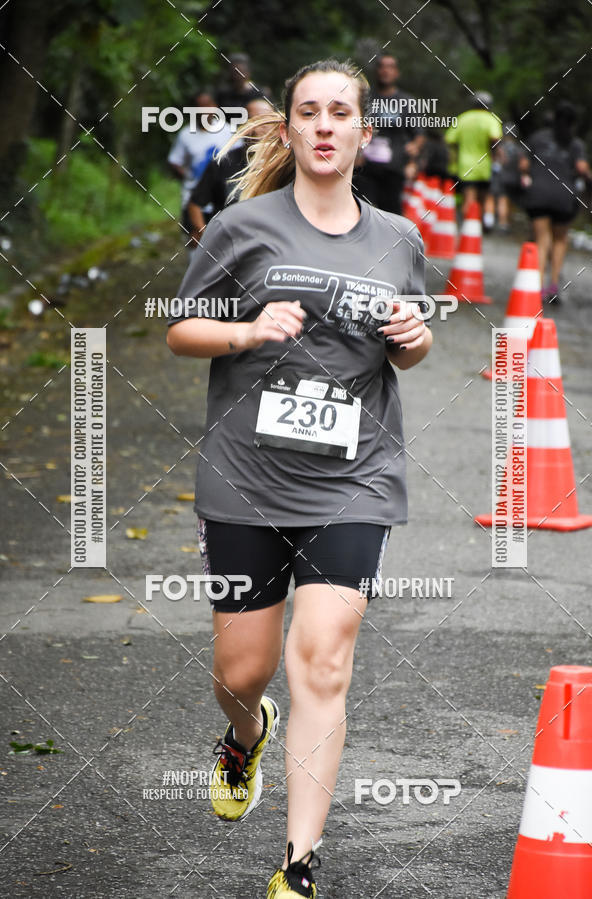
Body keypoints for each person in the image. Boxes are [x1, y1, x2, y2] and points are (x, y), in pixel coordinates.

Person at [166, 58, 432, 898]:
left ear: (361, 130)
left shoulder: (398, 238)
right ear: (289, 129)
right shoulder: (242, 227)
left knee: (321, 659)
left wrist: (412, 334)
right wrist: (246, 332)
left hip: (354, 478)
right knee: (243, 671)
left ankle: (299, 865)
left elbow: (415, 344)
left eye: (339, 112)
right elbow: (180, 332)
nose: (324, 125)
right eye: (308, 112)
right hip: (246, 475)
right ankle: (243, 734)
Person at [520, 101, 592, 302]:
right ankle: (553, 286)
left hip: (539, 194)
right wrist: (589, 175)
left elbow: (524, 164)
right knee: (560, 240)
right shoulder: (575, 144)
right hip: (564, 196)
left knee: (542, 240)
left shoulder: (537, 137)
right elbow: (581, 168)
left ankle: (536, 286)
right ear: (573, 123)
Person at [186, 97, 274, 241]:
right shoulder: (223, 162)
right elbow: (195, 204)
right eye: (254, 121)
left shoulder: (288, 163)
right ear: (243, 126)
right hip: (230, 246)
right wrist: (206, 239)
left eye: (266, 121)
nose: (260, 127)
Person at [353, 54, 424, 214]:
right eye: (382, 66)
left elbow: (418, 135)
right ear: (376, 71)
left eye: (390, 66)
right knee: (362, 213)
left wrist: (413, 160)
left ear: (396, 72)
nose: (386, 70)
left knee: (391, 216)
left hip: (394, 169)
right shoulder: (364, 100)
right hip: (365, 168)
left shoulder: (407, 101)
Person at [167, 90, 231, 247]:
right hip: (193, 197)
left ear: (215, 107)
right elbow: (175, 161)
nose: (204, 111)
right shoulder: (186, 135)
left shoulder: (228, 131)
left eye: (207, 106)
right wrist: (188, 176)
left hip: (221, 198)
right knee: (195, 244)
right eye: (199, 107)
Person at [444, 91, 503, 229]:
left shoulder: (463, 118)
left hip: (466, 165)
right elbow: (494, 138)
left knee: (468, 197)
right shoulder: (492, 119)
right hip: (485, 166)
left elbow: (450, 140)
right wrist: (495, 155)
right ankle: (477, 227)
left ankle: (466, 226)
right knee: (482, 198)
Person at [490, 122, 525, 233]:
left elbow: (496, 161)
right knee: (510, 201)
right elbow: (522, 165)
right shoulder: (519, 149)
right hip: (514, 178)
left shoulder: (500, 148)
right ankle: (508, 222)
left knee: (502, 200)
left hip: (502, 177)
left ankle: (502, 223)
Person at [216, 52, 265, 122]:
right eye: (235, 72)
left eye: (241, 72)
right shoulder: (223, 94)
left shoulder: (259, 93)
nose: (238, 77)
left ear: (248, 72)